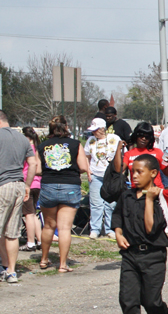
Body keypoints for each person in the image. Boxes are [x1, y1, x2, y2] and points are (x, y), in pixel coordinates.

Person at [111, 154, 168, 314]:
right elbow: (118, 216)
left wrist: (150, 199)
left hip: (153, 254)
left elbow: (151, 229)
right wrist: (118, 232)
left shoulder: (161, 199)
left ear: (153, 173)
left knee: (151, 300)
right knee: (128, 298)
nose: (134, 175)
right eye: (132, 171)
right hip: (131, 255)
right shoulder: (127, 196)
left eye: (139, 171)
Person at [36, 116, 90, 273]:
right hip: (70, 185)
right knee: (65, 228)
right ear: (66, 127)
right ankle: (62, 264)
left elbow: (38, 169)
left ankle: (44, 259)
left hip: (49, 185)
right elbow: (82, 165)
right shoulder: (75, 144)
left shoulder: (43, 145)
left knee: (48, 225)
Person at [0, 110, 36, 284]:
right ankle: (11, 270)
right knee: (12, 233)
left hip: (2, 185)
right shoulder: (22, 138)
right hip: (19, 185)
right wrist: (27, 184)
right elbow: (33, 163)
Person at [84, 117, 122, 239]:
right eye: (93, 130)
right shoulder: (90, 140)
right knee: (96, 203)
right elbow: (87, 156)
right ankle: (95, 228)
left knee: (110, 203)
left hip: (110, 176)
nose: (94, 132)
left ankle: (110, 228)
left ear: (102, 129)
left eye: (96, 130)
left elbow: (121, 154)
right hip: (96, 174)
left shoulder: (114, 139)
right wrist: (88, 170)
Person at [121, 122, 168, 190]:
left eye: (147, 137)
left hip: (155, 191)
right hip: (137, 193)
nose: (144, 138)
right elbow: (120, 170)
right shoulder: (128, 154)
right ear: (136, 136)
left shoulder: (157, 152)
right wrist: (118, 149)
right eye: (141, 135)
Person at [19, 127, 42, 253]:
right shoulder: (37, 149)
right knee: (33, 214)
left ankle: (30, 242)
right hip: (37, 184)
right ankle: (39, 240)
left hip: (28, 183)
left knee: (28, 214)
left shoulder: (26, 150)